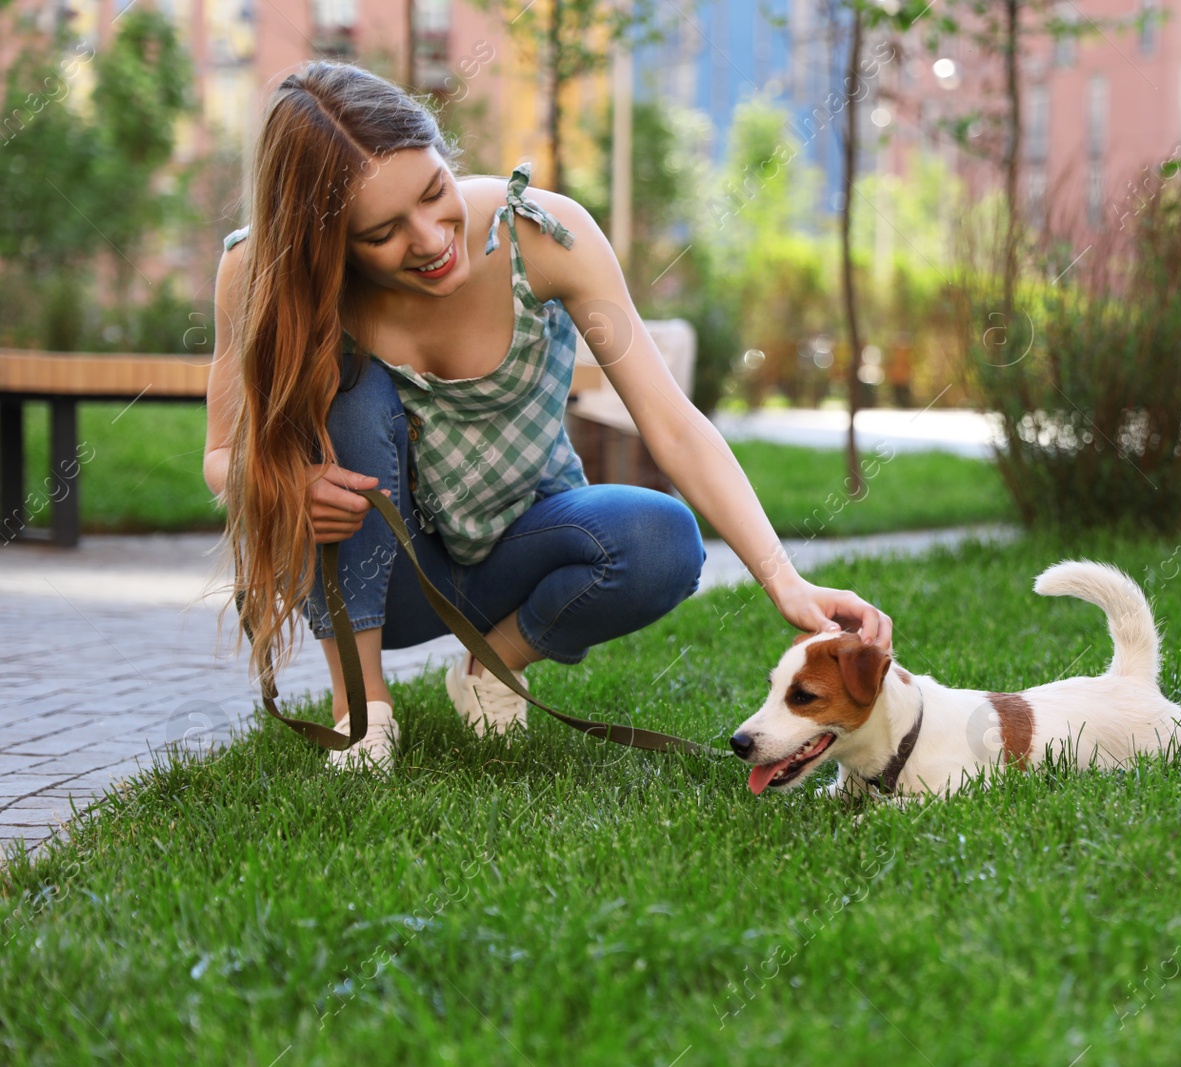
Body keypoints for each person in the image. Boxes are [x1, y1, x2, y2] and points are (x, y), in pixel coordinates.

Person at [203, 61, 892, 771]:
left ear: (444, 155)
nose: (432, 239)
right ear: (326, 243)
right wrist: (283, 484)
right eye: (382, 233)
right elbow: (221, 457)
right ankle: (363, 716)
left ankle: (489, 668)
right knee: (350, 391)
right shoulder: (259, 273)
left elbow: (671, 422)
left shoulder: (544, 236)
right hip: (384, 577)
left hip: (524, 555)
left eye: (435, 191)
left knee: (664, 540)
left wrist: (785, 578)